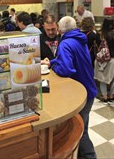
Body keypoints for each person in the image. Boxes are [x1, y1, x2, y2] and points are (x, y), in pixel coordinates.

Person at [41, 16, 97, 159]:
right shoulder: (79, 38)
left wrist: (53, 66)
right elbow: (72, 57)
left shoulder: (65, 43)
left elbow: (66, 69)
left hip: (81, 93)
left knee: (81, 131)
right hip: (89, 87)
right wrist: (52, 61)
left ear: (59, 29)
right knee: (83, 127)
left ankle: (90, 156)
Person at [94, 17, 114, 103]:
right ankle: (111, 96)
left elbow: (98, 47)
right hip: (111, 59)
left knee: (102, 79)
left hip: (100, 60)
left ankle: (105, 97)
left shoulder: (99, 34)